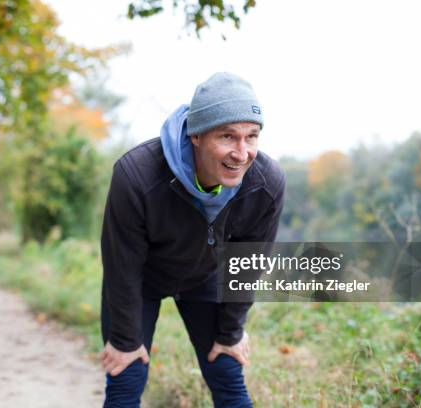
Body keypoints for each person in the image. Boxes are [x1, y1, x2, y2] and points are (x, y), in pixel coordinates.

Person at [99, 72, 286, 407]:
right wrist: (126, 341)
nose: (241, 153)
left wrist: (230, 333)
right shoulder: (136, 175)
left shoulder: (266, 183)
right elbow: (122, 265)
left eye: (251, 137)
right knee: (126, 375)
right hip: (141, 280)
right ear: (196, 135)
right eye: (228, 136)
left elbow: (247, 266)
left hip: (206, 276)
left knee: (227, 370)